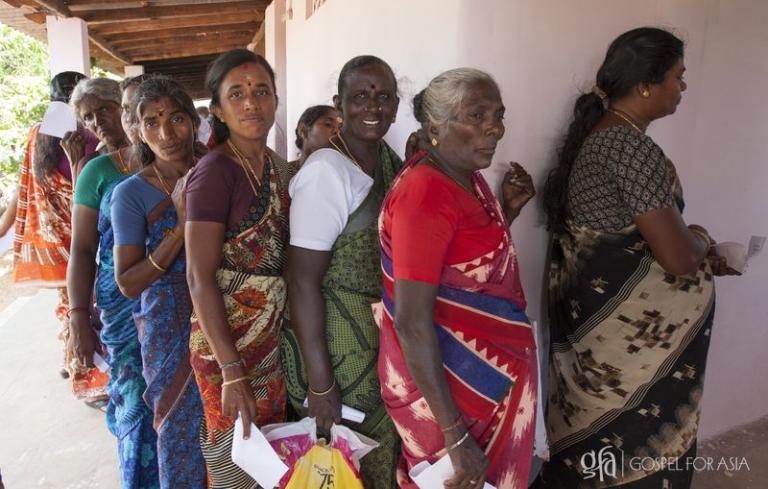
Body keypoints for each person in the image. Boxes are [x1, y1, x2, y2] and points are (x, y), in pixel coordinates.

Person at [536, 27, 737, 489]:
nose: (682, 88)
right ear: (646, 83)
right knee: (630, 458)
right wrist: (703, 241)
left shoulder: (606, 137)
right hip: (626, 362)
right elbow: (678, 256)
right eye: (677, 77)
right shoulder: (627, 147)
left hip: (601, 349)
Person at [374, 68, 538, 489]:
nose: (495, 129)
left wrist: (507, 211)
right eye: (477, 116)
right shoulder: (425, 191)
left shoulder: (468, 178)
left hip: (488, 383)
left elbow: (463, 272)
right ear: (434, 127)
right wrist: (455, 434)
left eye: (498, 115)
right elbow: (411, 322)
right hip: (452, 401)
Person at [281, 55, 403, 488]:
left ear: (396, 104)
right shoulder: (326, 173)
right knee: (347, 464)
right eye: (360, 97)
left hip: (381, 345)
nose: (373, 107)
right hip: (338, 351)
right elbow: (301, 281)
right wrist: (320, 383)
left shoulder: (388, 161)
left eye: (383, 96)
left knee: (382, 463)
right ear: (340, 104)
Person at [185, 49, 293, 488]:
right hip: (226, 351)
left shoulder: (273, 167)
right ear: (218, 110)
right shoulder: (214, 172)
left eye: (261, 91)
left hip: (269, 344)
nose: (252, 103)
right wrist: (232, 369)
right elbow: (199, 276)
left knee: (271, 458)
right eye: (237, 94)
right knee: (238, 463)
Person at [111, 76, 207, 488]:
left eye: (176, 119)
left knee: (232, 426)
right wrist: (180, 226)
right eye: (151, 123)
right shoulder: (131, 193)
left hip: (228, 312)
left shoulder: (218, 169)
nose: (166, 134)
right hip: (168, 328)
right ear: (138, 130)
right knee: (179, 430)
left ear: (194, 121)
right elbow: (129, 283)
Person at [67, 75, 160, 488]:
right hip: (121, 303)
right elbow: (83, 250)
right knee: (135, 399)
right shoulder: (96, 171)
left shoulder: (173, 156)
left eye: (106, 110)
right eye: (88, 118)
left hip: (173, 296)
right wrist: (78, 320)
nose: (99, 122)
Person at [2, 71, 106, 403]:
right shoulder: (88, 136)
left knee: (70, 306)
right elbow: (87, 192)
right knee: (86, 309)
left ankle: (72, 357)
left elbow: (24, 187)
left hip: (55, 243)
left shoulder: (37, 134)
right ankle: (85, 373)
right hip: (84, 238)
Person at [290, 104, 339, 170]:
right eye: (328, 124)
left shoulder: (341, 172)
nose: (337, 131)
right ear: (303, 130)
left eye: (340, 127)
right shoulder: (283, 174)